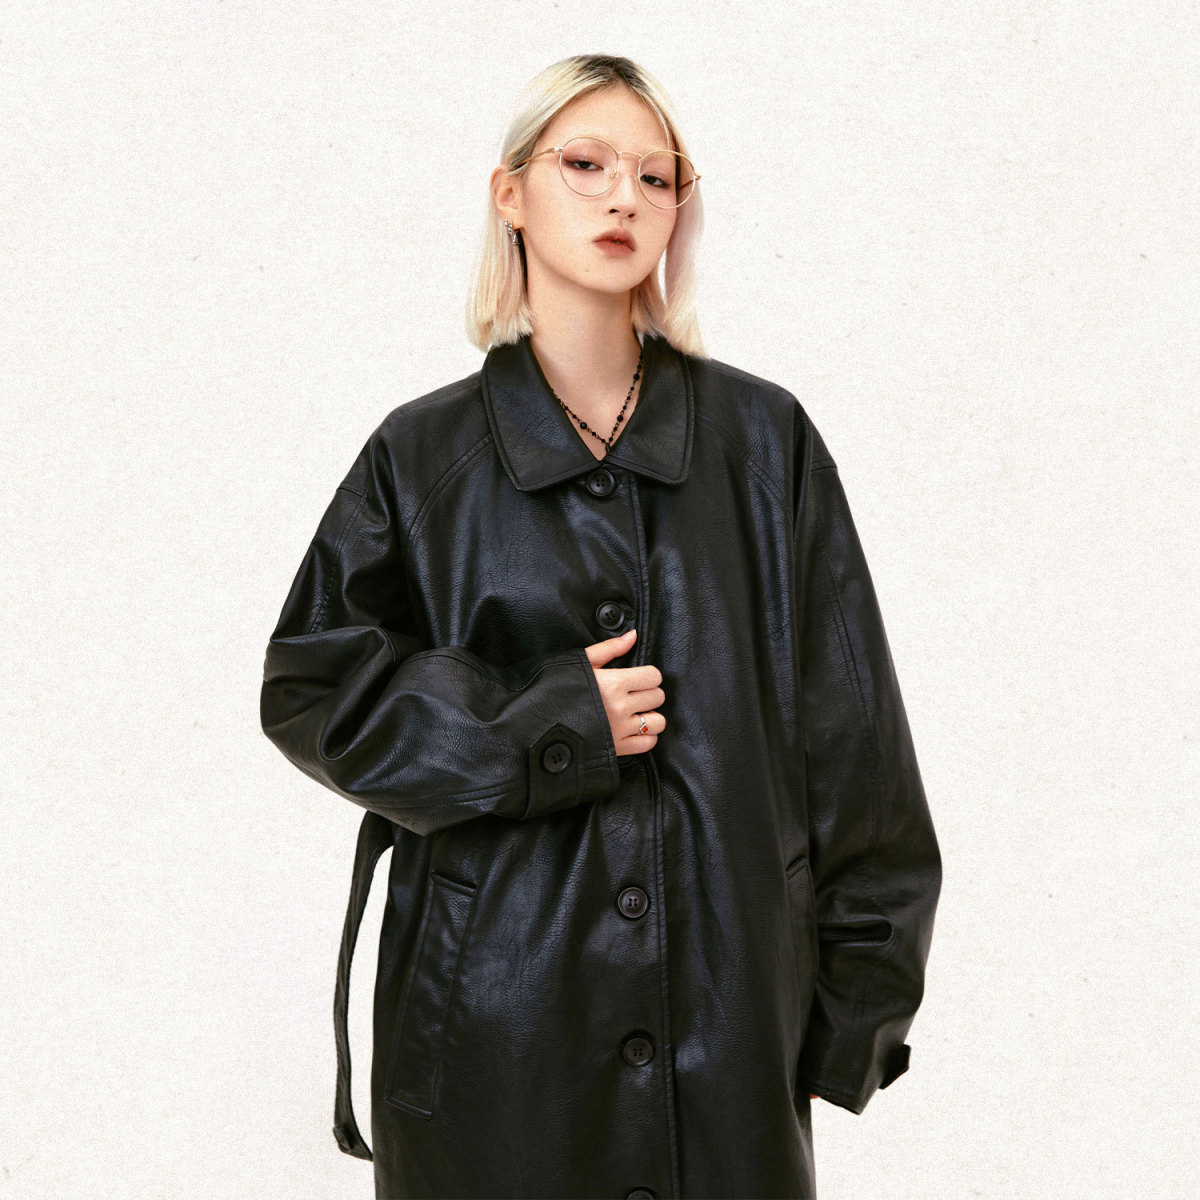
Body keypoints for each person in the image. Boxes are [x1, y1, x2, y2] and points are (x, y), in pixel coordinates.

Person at [259, 52, 942, 1200]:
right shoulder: (422, 458)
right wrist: (539, 727)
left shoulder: (763, 447)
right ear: (510, 194)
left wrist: (848, 1016)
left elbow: (859, 751)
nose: (624, 196)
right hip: (492, 1045)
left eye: (655, 176)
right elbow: (311, 689)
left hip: (728, 1037)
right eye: (584, 165)